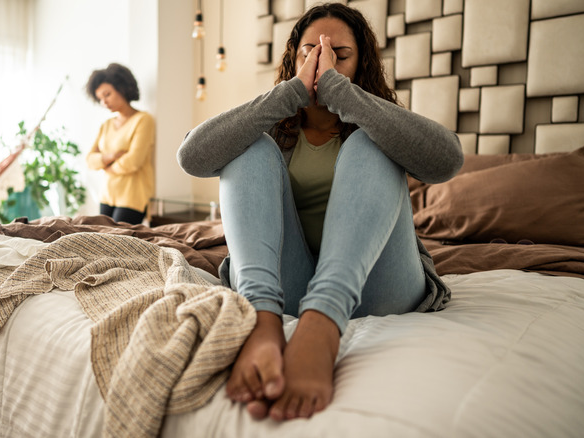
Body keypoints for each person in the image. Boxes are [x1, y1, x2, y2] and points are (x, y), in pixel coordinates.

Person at [177, 3, 463, 422]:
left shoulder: (378, 121)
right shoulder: (276, 125)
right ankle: (262, 319)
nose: (321, 61)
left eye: (338, 55)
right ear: (295, 57)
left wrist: (341, 91)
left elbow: (446, 162)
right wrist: (290, 93)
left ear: (359, 64)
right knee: (249, 146)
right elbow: (192, 157)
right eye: (310, 51)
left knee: (369, 142)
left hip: (379, 286)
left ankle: (323, 320)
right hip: (286, 284)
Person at [85, 63, 155, 225]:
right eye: (100, 99)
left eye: (107, 95)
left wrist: (106, 166)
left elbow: (133, 161)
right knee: (102, 243)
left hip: (133, 196)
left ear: (122, 88)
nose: (104, 102)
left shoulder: (143, 120)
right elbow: (89, 160)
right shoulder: (106, 125)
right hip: (107, 195)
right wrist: (110, 156)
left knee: (118, 244)